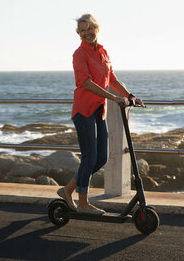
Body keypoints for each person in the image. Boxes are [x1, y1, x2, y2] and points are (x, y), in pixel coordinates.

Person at [57, 14, 144, 215]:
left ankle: (68, 189)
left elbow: (112, 79)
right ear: (78, 34)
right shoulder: (79, 54)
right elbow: (85, 83)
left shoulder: (103, 51)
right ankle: (84, 203)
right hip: (83, 109)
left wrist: (131, 96)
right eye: (81, 31)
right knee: (89, 157)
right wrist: (114, 99)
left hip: (98, 110)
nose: (86, 33)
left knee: (101, 158)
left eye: (89, 29)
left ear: (97, 28)